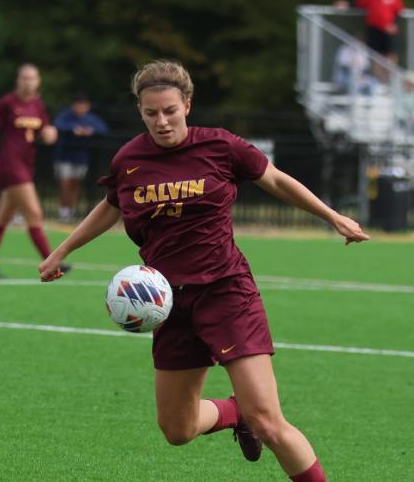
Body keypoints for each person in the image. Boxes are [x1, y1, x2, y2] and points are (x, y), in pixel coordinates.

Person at [37, 60, 367, 482]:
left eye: (170, 110)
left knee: (270, 421)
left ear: (187, 105)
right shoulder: (130, 159)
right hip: (168, 304)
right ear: (140, 111)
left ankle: (252, 417)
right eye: (151, 112)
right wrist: (62, 249)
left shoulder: (222, 147)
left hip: (226, 292)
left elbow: (278, 180)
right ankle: (235, 412)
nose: (162, 120)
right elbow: (110, 207)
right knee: (177, 430)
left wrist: (332, 217)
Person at [0, 63, 61, 277]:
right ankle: (52, 262)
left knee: (3, 217)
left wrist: (49, 134)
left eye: (32, 78)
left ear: (38, 81)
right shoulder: (8, 102)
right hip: (10, 164)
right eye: (24, 78)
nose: (28, 82)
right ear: (18, 80)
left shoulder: (38, 105)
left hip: (26, 165)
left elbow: (44, 130)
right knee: (34, 213)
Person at [53, 94, 109, 222]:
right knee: (64, 184)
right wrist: (73, 129)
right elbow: (58, 125)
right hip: (64, 157)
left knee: (74, 184)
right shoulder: (66, 116)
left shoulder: (90, 119)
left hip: (81, 157)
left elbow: (103, 128)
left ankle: (71, 211)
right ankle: (63, 211)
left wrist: (90, 131)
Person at [353, 0, 404, 67]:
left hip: (388, 29)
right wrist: (346, 5)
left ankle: (391, 78)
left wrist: (393, 24)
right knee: (374, 55)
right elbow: (358, 4)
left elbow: (398, 11)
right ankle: (378, 80)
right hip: (374, 28)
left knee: (391, 53)